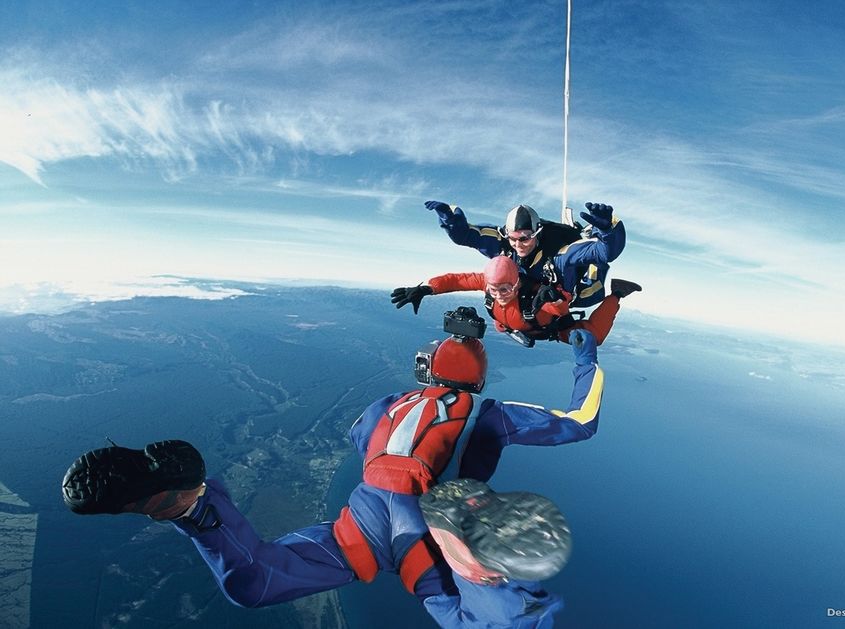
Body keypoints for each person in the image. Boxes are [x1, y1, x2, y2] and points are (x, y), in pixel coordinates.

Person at [62, 316, 604, 628]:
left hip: (368, 518)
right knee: (496, 621)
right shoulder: (489, 414)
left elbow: (357, 437)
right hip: (439, 530)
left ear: (428, 370)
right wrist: (587, 360)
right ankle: (490, 585)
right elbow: (581, 422)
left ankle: (191, 505)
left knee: (255, 581)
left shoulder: (385, 403)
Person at [391, 255, 641, 347]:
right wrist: (425, 288)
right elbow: (456, 279)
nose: (499, 293)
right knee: (505, 318)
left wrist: (555, 298)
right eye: (493, 288)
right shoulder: (489, 283)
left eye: (506, 288)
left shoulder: (534, 297)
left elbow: (559, 307)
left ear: (517, 283)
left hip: (548, 329)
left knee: (592, 339)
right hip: (514, 326)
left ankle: (617, 293)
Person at [425, 200, 627, 308]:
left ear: (537, 234)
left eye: (525, 238)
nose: (518, 244)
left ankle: (591, 236)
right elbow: (468, 236)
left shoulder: (558, 255)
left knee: (591, 294)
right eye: (513, 238)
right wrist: (451, 222)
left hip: (569, 292)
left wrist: (609, 231)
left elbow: (604, 252)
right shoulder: (503, 245)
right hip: (531, 291)